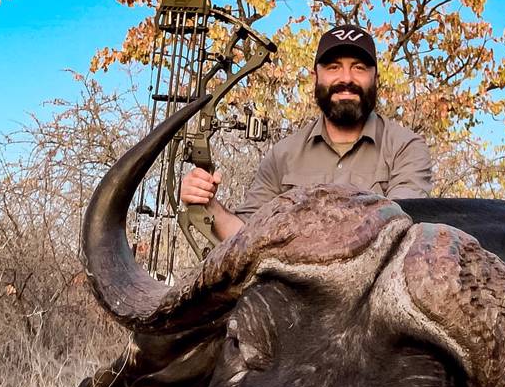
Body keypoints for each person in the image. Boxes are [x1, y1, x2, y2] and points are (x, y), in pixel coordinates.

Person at [179, 23, 433, 241]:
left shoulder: (405, 147)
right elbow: (246, 238)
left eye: (359, 67)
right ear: (315, 77)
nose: (346, 78)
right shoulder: (283, 155)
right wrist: (208, 203)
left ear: (375, 78)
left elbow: (397, 227)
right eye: (333, 67)